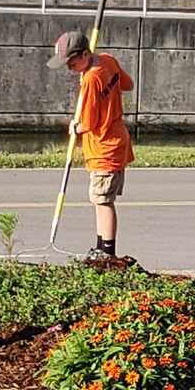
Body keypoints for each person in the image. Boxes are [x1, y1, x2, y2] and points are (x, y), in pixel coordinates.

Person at [48, 30, 134, 258]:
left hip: (104, 146)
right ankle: (99, 247)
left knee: (103, 201)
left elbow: (88, 123)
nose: (68, 68)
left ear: (85, 54)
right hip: (117, 139)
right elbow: (127, 84)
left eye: (71, 62)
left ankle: (107, 252)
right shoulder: (107, 61)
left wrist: (74, 128)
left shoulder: (91, 79)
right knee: (101, 200)